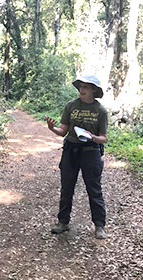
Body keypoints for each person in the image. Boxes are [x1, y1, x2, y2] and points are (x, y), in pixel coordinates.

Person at [45, 74, 108, 239]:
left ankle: (99, 225)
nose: (82, 89)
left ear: (94, 90)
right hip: (70, 150)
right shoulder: (71, 106)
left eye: (86, 87)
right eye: (80, 86)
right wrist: (52, 128)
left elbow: (104, 137)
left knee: (94, 189)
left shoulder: (100, 110)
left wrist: (93, 137)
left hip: (91, 151)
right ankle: (63, 222)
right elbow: (63, 131)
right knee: (67, 187)